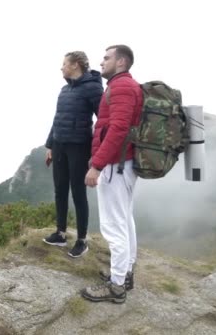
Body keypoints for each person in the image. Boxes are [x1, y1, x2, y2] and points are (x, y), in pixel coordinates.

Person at [81, 45, 143, 304]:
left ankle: (117, 287)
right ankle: (125, 273)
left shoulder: (121, 87)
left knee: (113, 225)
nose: (102, 61)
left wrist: (97, 165)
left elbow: (117, 129)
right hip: (123, 164)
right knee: (125, 219)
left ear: (121, 62)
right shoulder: (124, 86)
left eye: (107, 57)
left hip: (116, 166)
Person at [43, 51, 103, 258]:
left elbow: (103, 121)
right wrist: (50, 145)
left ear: (75, 65)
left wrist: (96, 153)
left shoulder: (93, 88)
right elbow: (57, 119)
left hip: (79, 146)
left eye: (64, 64)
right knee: (60, 189)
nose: (61, 68)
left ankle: (82, 240)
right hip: (60, 145)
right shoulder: (65, 89)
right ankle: (60, 233)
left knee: (78, 193)